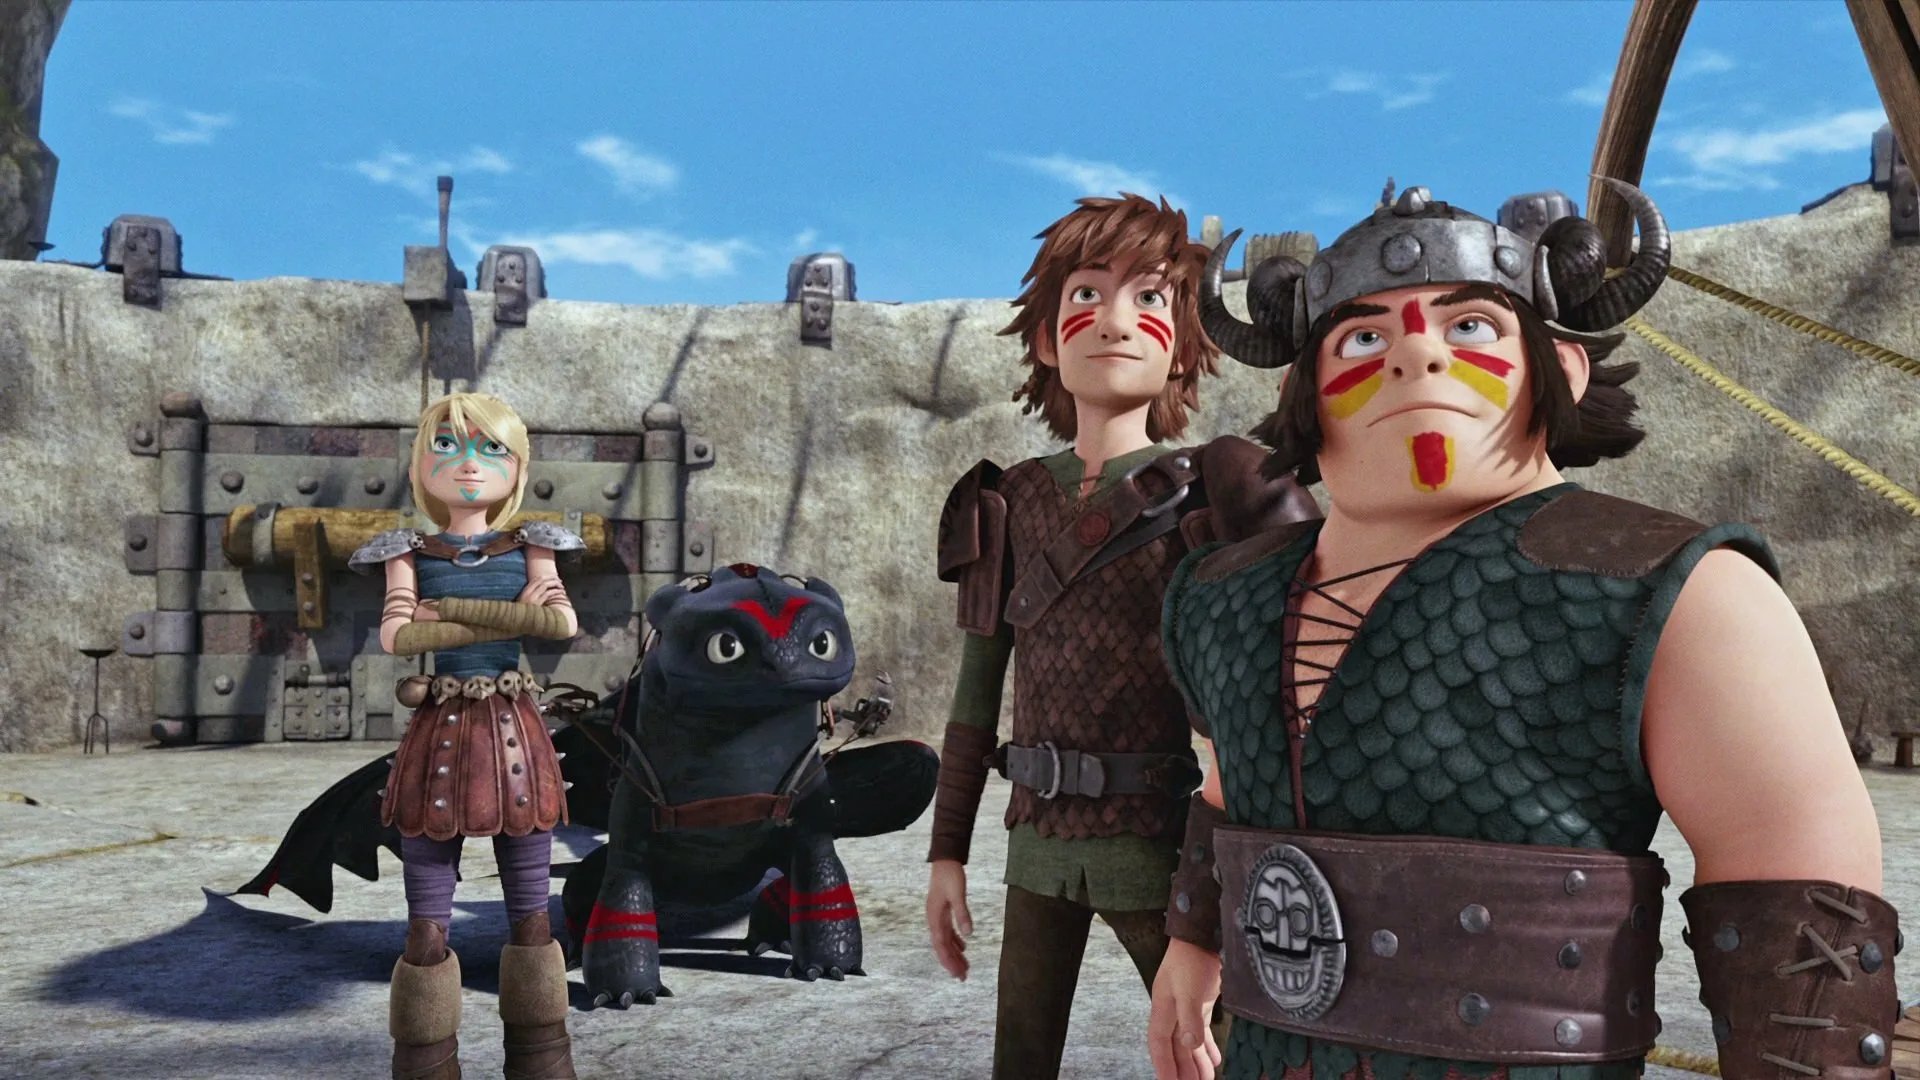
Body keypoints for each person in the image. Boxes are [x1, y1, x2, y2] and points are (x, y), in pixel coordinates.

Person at [1149, 182, 1897, 1080]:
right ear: (1298, 390)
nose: (1416, 353)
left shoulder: (1680, 589)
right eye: (1363, 339)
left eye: (1469, 327)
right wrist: (1194, 941)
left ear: (1562, 370)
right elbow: (1231, 785)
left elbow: (1803, 916)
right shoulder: (1222, 595)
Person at [925, 193, 1319, 1079]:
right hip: (1035, 841)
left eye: (1149, 298)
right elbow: (975, 694)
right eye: (1086, 296)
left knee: (1215, 1055)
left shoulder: (1218, 490)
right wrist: (948, 852)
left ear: (1181, 340)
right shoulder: (1006, 499)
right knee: (1019, 1060)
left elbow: (1270, 688)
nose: (1114, 321)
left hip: (1160, 842)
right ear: (1045, 339)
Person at [351, 391, 583, 1080]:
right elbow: (397, 637)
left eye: (490, 448)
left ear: (517, 466)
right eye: (447, 446)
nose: (469, 464)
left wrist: (446, 610)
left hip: (516, 739)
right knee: (425, 924)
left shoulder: (535, 544)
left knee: (533, 916)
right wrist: (509, 615)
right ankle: (425, 1062)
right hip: (439, 742)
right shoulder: (407, 550)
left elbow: (560, 625)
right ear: (422, 463)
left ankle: (542, 1060)